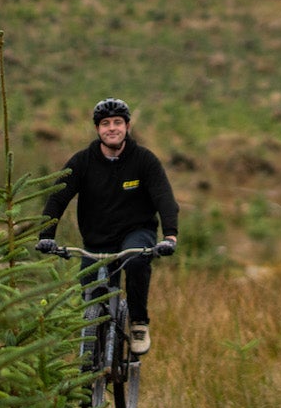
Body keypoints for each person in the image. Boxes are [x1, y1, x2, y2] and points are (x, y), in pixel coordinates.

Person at [37, 97, 179, 355]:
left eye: (117, 122)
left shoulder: (143, 160)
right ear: (97, 129)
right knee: (88, 304)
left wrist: (170, 236)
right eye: (105, 124)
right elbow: (58, 197)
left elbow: (164, 198)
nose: (111, 128)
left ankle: (138, 323)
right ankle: (89, 368)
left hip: (136, 233)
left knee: (136, 261)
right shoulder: (82, 162)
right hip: (97, 240)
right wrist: (46, 235)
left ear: (127, 126)